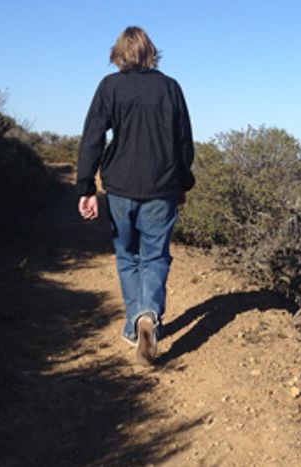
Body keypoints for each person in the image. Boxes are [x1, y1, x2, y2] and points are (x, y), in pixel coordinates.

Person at [76, 26, 195, 366]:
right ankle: (148, 315)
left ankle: (134, 323)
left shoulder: (110, 86)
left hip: (119, 186)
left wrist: (86, 187)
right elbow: (184, 143)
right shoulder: (170, 87)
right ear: (150, 53)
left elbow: (92, 138)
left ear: (118, 54)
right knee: (155, 256)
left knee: (127, 256)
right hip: (162, 185)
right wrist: (182, 183)